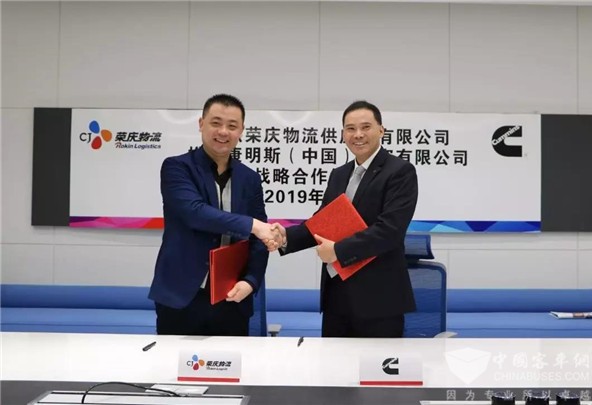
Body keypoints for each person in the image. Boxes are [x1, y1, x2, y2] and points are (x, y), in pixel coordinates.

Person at [270, 100, 418, 338]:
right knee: (332, 361)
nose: (357, 134)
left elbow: (389, 231)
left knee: (377, 362)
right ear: (342, 134)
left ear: (381, 130)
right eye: (350, 128)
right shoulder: (339, 174)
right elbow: (323, 222)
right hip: (337, 296)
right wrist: (286, 236)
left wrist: (338, 251)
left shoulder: (399, 171)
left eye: (365, 127)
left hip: (379, 300)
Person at [149, 94, 280, 336]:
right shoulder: (177, 167)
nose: (223, 132)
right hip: (181, 297)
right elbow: (195, 213)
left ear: (241, 131)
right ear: (201, 124)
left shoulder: (250, 179)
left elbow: (258, 240)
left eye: (232, 126)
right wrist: (254, 225)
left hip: (232, 297)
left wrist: (251, 281)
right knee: (172, 361)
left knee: (231, 361)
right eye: (216, 123)